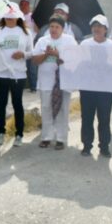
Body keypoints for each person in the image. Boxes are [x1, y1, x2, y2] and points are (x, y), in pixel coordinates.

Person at [0, 3, 33, 146]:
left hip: (18, 74)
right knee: (1, 103)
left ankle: (19, 134)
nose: (9, 20)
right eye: (7, 17)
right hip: (0, 73)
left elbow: (32, 52)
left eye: (12, 18)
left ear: (18, 18)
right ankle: (1, 132)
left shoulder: (25, 33)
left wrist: (23, 54)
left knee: (17, 103)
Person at [78, 15, 112, 158]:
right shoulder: (85, 44)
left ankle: (104, 147)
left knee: (104, 119)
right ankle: (86, 146)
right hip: (87, 88)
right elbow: (77, 63)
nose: (97, 28)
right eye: (94, 26)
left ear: (106, 29)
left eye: (100, 26)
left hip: (105, 89)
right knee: (87, 118)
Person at [32, 16, 77, 150]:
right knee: (46, 108)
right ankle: (46, 137)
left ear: (62, 29)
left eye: (57, 27)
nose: (54, 29)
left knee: (63, 109)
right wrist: (46, 55)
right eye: (51, 26)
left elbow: (75, 60)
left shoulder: (69, 41)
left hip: (64, 81)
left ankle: (61, 139)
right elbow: (35, 60)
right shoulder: (42, 41)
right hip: (46, 80)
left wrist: (59, 54)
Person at [19, 0, 39, 92]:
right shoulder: (18, 17)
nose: (24, 6)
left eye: (26, 4)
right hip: (22, 44)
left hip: (32, 43)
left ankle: (33, 87)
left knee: (32, 67)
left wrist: (35, 18)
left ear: (29, 5)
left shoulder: (33, 16)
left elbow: (36, 30)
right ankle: (20, 86)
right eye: (22, 4)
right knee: (22, 66)